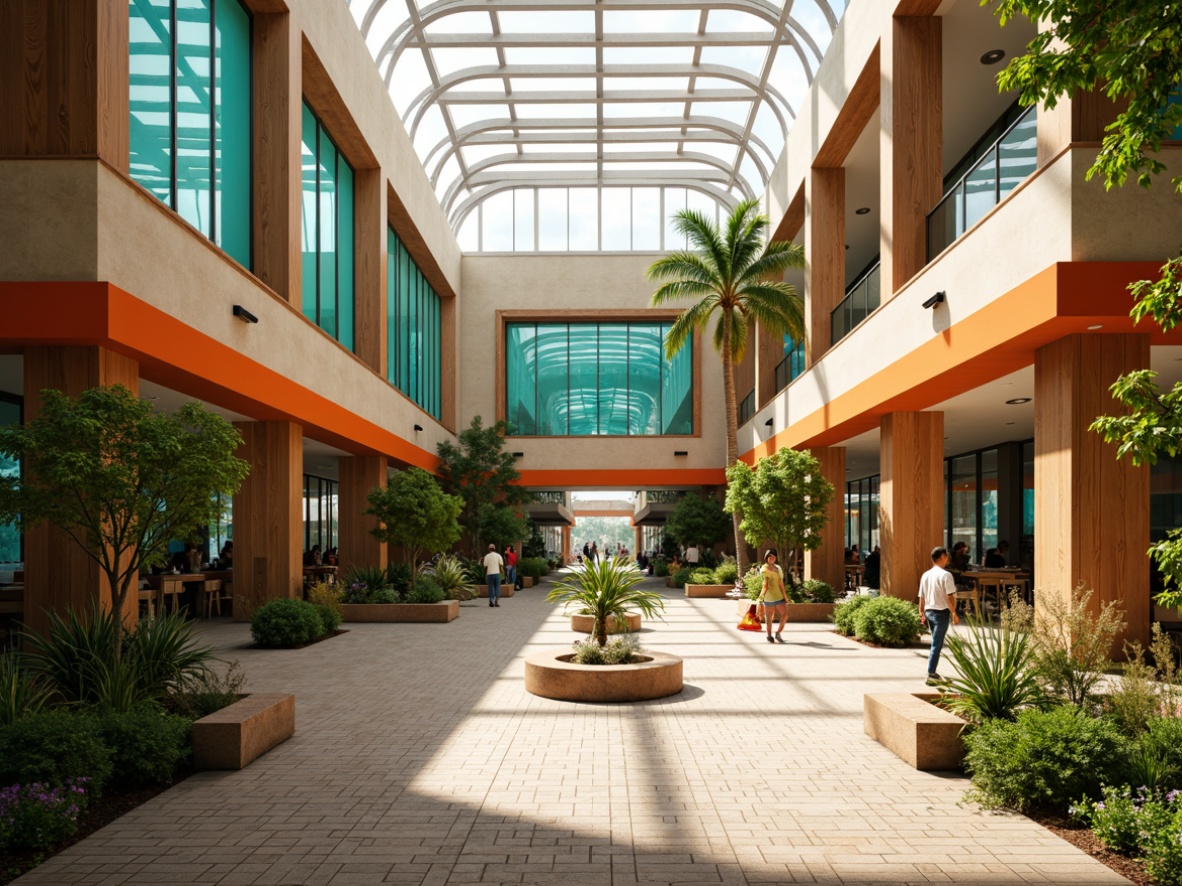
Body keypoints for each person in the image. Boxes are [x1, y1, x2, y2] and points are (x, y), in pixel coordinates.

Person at [918, 546, 959, 685]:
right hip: (941, 613)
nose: (947, 558)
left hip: (929, 611)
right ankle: (931, 673)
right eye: (946, 556)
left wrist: (921, 613)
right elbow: (949, 597)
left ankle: (932, 672)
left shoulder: (926, 575)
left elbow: (921, 597)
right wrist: (954, 613)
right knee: (937, 643)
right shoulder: (946, 575)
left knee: (936, 642)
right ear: (942, 557)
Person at [758, 549, 788, 644]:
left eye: (773, 557)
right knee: (769, 617)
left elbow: (781, 583)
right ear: (766, 558)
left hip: (778, 596)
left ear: (776, 558)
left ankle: (778, 633)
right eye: (769, 556)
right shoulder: (763, 569)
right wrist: (760, 598)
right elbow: (765, 582)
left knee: (785, 615)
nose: (771, 558)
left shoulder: (778, 568)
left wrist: (785, 596)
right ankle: (769, 635)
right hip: (768, 597)